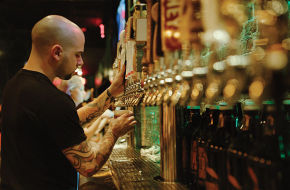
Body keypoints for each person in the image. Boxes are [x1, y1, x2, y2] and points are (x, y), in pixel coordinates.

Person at [0, 15, 136, 190]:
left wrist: (111, 92)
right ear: (57, 52)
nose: (81, 62)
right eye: (77, 54)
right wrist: (114, 131)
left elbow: (61, 121)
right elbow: (89, 166)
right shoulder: (51, 99)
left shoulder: (16, 85)